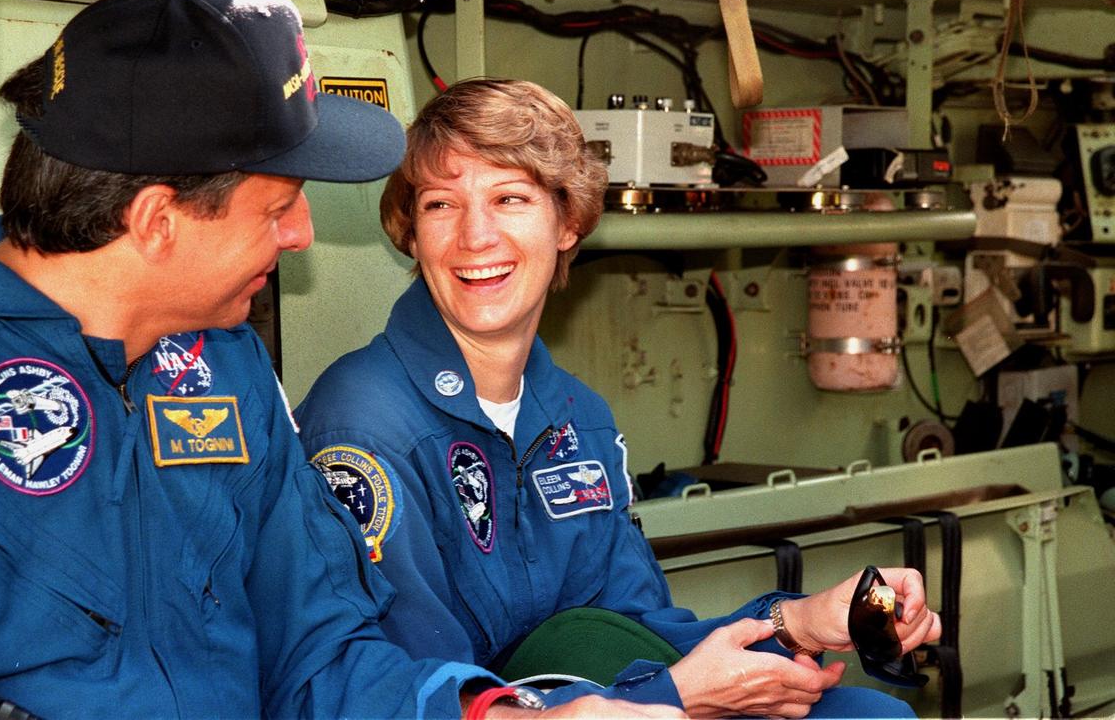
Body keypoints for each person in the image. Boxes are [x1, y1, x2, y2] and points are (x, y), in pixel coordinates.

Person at [0, 0, 683, 719]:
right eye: (278, 206)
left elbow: (318, 656)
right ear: (157, 221)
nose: (304, 234)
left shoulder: (227, 370)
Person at [295, 79, 943, 718]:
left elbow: (631, 635)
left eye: (510, 197)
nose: (475, 236)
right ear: (410, 232)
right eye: (441, 204)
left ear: (568, 221)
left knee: (863, 713)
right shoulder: (365, 424)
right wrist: (672, 697)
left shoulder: (576, 417)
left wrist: (794, 621)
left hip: (603, 702)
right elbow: (408, 690)